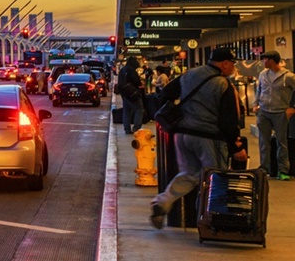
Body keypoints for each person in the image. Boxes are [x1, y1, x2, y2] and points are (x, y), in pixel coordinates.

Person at [150, 48, 248, 229]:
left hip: (183, 135)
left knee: (189, 174)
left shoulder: (189, 74)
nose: (234, 67)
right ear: (225, 63)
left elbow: (165, 94)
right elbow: (229, 120)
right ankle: (212, 220)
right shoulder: (223, 84)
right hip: (209, 138)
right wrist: (236, 148)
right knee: (216, 177)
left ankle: (162, 202)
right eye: (233, 63)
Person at [253, 50, 295, 180]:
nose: (263, 62)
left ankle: (283, 170)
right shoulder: (263, 74)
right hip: (264, 111)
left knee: (281, 142)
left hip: (280, 112)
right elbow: (259, 90)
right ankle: (265, 168)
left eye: (265, 59)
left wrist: (293, 108)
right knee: (263, 142)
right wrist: (256, 104)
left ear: (271, 60)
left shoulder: (288, 77)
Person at [118, 57, 146, 135]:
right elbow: (136, 81)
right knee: (139, 109)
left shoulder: (122, 70)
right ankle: (136, 127)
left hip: (124, 93)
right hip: (133, 93)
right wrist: (140, 83)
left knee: (126, 110)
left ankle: (127, 129)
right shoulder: (131, 70)